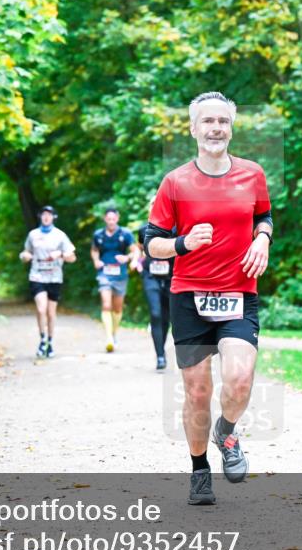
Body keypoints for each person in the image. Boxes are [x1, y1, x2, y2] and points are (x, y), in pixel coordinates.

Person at [145, 91, 273, 506]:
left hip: (238, 293)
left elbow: (263, 216)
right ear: (193, 128)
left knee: (239, 379)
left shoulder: (252, 174)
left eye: (223, 121)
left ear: (231, 127)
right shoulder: (175, 182)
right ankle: (200, 470)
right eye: (208, 121)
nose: (216, 128)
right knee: (197, 392)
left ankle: (228, 431)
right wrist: (182, 243)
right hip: (189, 298)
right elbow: (152, 244)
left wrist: (263, 241)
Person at [20, 206, 77, 358]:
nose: (46, 217)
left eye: (49, 215)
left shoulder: (60, 235)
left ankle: (50, 341)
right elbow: (26, 252)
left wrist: (61, 254)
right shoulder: (33, 235)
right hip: (37, 276)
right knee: (41, 309)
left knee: (51, 313)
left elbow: (72, 257)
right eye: (44, 214)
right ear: (40, 217)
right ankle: (42, 339)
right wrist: (24, 256)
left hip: (55, 277)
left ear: (53, 217)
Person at [90, 208, 138, 353]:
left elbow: (135, 251)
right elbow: (94, 250)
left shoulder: (125, 234)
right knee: (106, 304)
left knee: (117, 308)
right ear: (105, 219)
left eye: (113, 218)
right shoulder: (98, 234)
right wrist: (96, 261)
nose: (111, 221)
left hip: (120, 274)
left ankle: (113, 333)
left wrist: (129, 259)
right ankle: (109, 338)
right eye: (108, 218)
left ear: (117, 218)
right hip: (104, 273)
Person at [136, 214, 174, 371]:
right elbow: (139, 249)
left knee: (166, 317)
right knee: (156, 314)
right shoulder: (144, 229)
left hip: (171, 278)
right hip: (151, 277)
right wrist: (138, 262)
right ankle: (159, 356)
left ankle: (161, 350)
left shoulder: (174, 230)